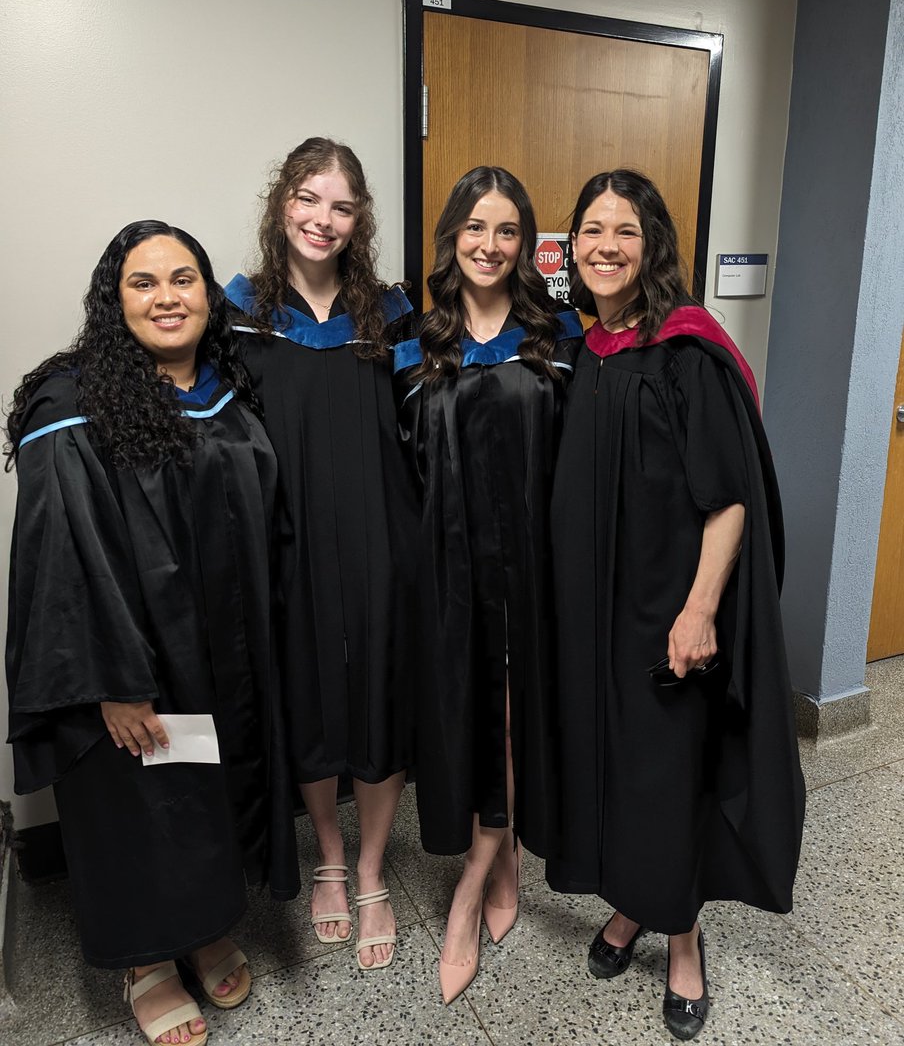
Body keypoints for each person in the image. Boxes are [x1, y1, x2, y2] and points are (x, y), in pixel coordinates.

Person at [5, 221, 300, 1046]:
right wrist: (113, 679)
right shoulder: (71, 406)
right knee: (141, 803)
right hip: (130, 659)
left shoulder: (228, 388)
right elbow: (62, 554)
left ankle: (204, 928)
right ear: (114, 299)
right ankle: (146, 961)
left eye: (184, 279)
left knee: (207, 793)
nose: (167, 297)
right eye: (144, 283)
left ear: (211, 294)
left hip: (223, 649)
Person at [546, 170, 805, 1040]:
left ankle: (682, 940)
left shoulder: (687, 351)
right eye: (591, 230)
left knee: (664, 778)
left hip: (665, 614)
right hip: (595, 616)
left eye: (625, 229)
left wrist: (698, 611)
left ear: (654, 243)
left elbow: (730, 498)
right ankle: (628, 907)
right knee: (613, 767)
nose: (606, 245)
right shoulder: (588, 349)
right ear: (572, 247)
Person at [225, 138, 418, 971]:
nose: (323, 220)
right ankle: (329, 860)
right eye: (309, 199)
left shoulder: (392, 314)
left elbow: (428, 426)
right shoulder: (237, 317)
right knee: (308, 701)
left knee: (377, 700)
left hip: (382, 539)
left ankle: (373, 868)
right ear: (281, 205)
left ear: (359, 218)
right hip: (289, 543)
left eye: (342, 206)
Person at [393, 166, 583, 1004]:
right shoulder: (412, 343)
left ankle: (476, 878)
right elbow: (398, 471)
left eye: (508, 231)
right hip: (446, 567)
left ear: (526, 242)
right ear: (452, 236)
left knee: (515, 719)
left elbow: (585, 460)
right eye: (476, 228)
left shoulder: (560, 337)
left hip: (536, 566)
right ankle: (496, 853)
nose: (490, 245)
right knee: (465, 716)